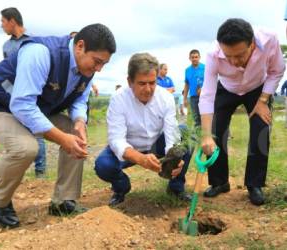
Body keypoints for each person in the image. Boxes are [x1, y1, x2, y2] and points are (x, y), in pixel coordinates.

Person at [0, 23, 116, 228]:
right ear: (80, 46)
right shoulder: (40, 53)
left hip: (35, 109)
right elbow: (21, 105)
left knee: (76, 136)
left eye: (104, 64)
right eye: (97, 61)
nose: (99, 69)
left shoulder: (87, 68)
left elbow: (79, 100)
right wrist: (62, 138)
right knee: (26, 148)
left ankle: (63, 201)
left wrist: (79, 122)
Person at [199, 18, 285, 206]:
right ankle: (219, 182)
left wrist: (263, 100)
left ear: (252, 44)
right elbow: (207, 94)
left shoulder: (269, 40)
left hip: (257, 88)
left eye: (239, 56)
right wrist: (206, 135)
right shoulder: (213, 53)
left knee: (261, 129)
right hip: (227, 87)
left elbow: (277, 70)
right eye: (228, 56)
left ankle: (254, 184)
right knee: (215, 131)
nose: (234, 62)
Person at [95, 53, 193, 206]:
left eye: (152, 83)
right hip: (130, 149)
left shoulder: (165, 98)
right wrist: (141, 159)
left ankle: (175, 186)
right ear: (130, 81)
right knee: (103, 165)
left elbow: (171, 134)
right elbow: (116, 140)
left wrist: (175, 158)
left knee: (186, 133)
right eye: (142, 83)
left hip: (156, 145)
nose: (148, 89)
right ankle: (121, 188)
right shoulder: (118, 99)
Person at [1, 7, 46, 178]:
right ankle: (16, 173)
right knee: (15, 133)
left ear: (12, 21)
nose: (2, 26)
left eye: (3, 22)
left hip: (35, 93)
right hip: (14, 95)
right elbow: (6, 70)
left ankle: (40, 173)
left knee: (37, 131)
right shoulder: (6, 46)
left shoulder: (36, 41)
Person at [184, 49, 205, 128]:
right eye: (192, 57)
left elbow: (211, 81)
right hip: (193, 98)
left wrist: (203, 89)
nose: (194, 59)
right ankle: (198, 138)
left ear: (199, 57)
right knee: (197, 119)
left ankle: (208, 136)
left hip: (205, 97)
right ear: (190, 58)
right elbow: (186, 84)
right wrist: (185, 98)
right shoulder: (187, 70)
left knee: (206, 117)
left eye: (196, 57)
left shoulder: (205, 68)